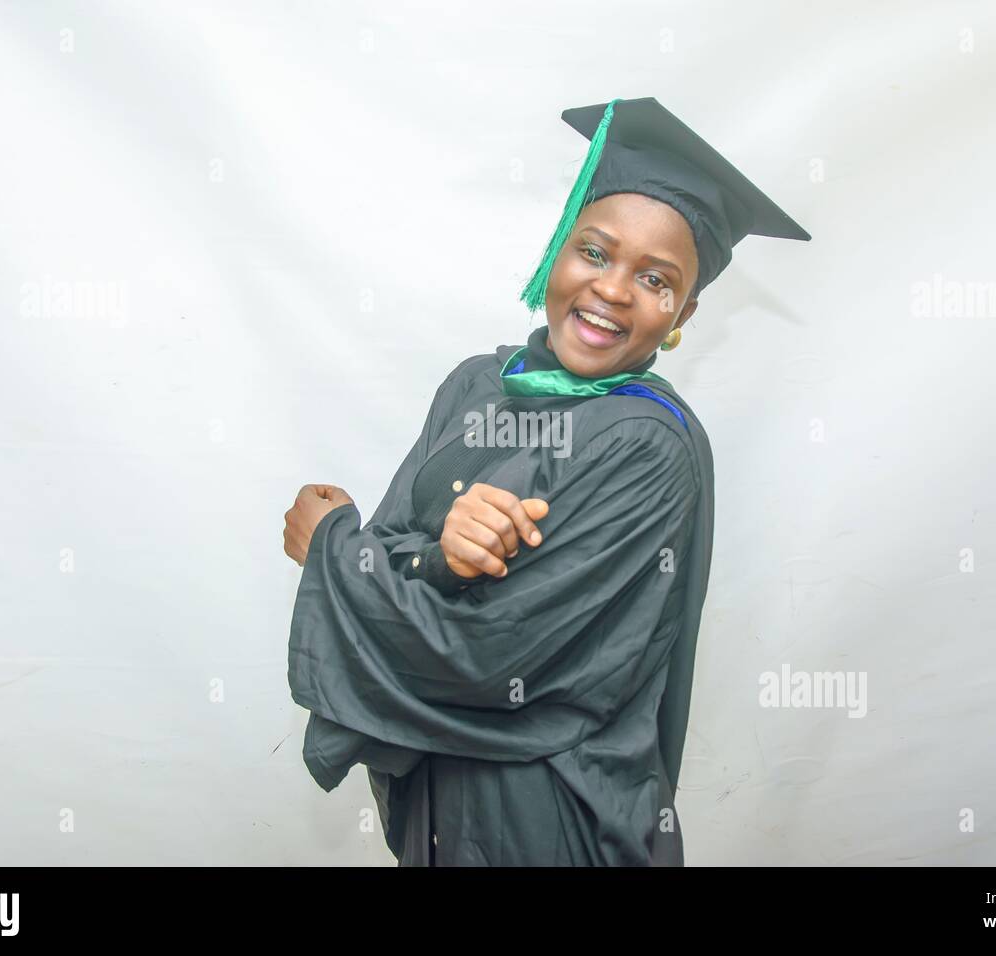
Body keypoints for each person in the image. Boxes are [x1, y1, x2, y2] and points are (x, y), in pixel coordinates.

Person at [283, 97, 810, 865]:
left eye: (656, 279)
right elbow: (400, 548)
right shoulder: (476, 388)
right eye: (595, 252)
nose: (614, 289)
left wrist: (330, 546)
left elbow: (486, 655)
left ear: (682, 313)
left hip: (552, 819)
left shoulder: (645, 445)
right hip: (438, 808)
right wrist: (439, 558)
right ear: (558, 250)